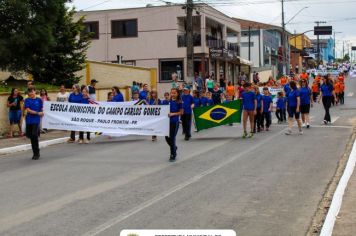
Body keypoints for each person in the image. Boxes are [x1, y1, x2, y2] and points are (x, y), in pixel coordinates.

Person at [24, 88, 43, 160]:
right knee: (31, 137)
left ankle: (36, 153)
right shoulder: (27, 100)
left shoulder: (39, 100)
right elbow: (28, 110)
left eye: (32, 92)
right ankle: (35, 152)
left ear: (35, 91)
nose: (31, 93)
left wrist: (42, 113)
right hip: (29, 121)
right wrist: (38, 113)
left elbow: (42, 109)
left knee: (35, 136)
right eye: (29, 92)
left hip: (36, 121)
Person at [165, 88, 183, 162]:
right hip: (167, 122)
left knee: (172, 138)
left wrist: (173, 114)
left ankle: (173, 154)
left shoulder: (179, 102)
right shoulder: (168, 101)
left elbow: (181, 112)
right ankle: (174, 147)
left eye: (174, 93)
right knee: (166, 137)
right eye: (172, 93)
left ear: (177, 94)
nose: (173, 94)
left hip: (174, 121)